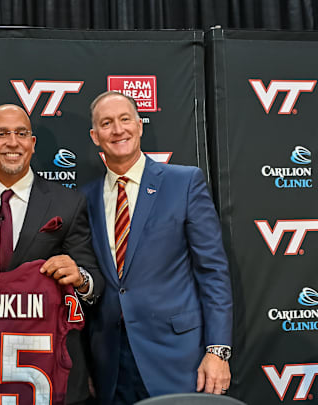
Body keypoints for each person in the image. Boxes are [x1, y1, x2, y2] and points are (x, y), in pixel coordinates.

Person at [81, 91, 233, 404]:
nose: (118, 130)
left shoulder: (184, 182)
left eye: (125, 119)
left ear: (139, 125)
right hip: (110, 361)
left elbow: (213, 271)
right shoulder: (86, 198)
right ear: (96, 137)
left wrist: (217, 351)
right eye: (106, 124)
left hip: (178, 357)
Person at [0, 104, 104, 405]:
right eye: (1, 133)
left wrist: (80, 278)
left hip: (48, 363)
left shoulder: (68, 202)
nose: (12, 142)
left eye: (21, 133)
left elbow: (94, 278)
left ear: (32, 144)